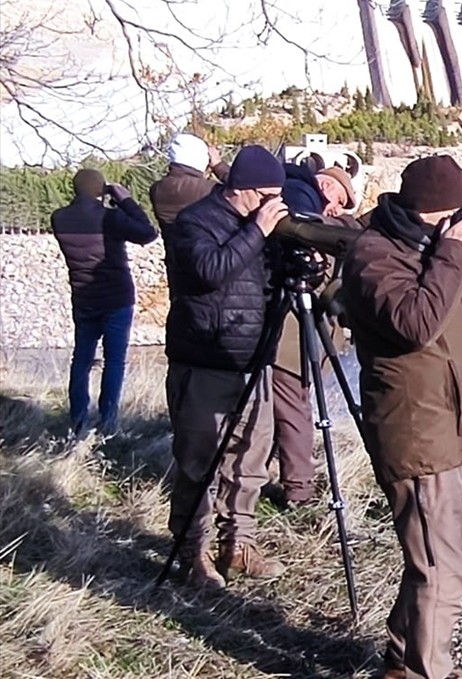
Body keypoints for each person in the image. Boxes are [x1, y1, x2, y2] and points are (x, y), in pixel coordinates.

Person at [340, 155, 462, 679]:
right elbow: (416, 323)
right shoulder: (374, 255)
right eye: (450, 219)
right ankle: (426, 672)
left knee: (436, 561)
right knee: (440, 571)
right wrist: (454, 253)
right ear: (428, 217)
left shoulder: (431, 250)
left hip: (453, 428)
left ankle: (403, 659)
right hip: (419, 431)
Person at [163, 144, 289, 588]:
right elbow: (209, 270)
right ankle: (192, 552)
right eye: (270, 195)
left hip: (253, 360)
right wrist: (257, 231)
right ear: (245, 191)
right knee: (198, 463)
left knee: (250, 461)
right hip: (204, 360)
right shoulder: (195, 221)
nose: (277, 204)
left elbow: (269, 284)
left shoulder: (261, 227)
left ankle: (239, 544)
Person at [266, 161, 360, 510]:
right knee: (295, 411)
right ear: (324, 186)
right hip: (294, 339)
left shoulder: (315, 227)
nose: (338, 207)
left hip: (296, 340)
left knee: (290, 411)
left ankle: (291, 484)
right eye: (339, 197)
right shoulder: (303, 227)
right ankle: (299, 488)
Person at [51, 169, 158, 436]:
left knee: (82, 359)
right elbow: (147, 233)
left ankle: (78, 421)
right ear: (101, 191)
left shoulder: (59, 218)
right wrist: (125, 200)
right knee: (114, 361)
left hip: (83, 297)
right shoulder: (109, 219)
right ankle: (108, 423)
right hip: (116, 298)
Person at [149, 133, 230, 297]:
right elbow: (241, 186)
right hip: (208, 269)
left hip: (177, 272)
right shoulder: (211, 190)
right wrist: (219, 165)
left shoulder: (157, 189)